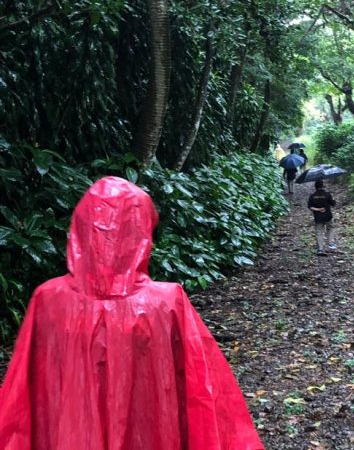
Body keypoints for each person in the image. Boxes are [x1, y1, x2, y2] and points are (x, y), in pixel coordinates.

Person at [0, 177, 264, 450]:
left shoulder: (49, 298)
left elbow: (20, 398)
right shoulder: (165, 301)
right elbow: (202, 392)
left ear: (80, 226)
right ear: (141, 230)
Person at [308, 180, 337, 256]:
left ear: (315, 187)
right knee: (331, 228)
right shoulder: (327, 194)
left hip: (318, 217)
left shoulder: (312, 196)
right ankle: (330, 243)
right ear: (323, 186)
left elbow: (310, 207)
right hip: (327, 216)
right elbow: (333, 204)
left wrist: (318, 209)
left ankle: (320, 249)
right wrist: (332, 199)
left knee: (319, 232)